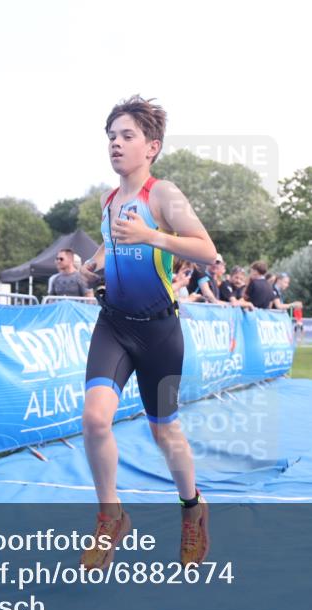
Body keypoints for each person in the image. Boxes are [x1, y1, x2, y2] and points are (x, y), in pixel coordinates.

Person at [77, 96, 216, 568]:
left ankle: (193, 510)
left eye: (127, 135)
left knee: (165, 434)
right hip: (114, 325)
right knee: (96, 419)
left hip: (159, 333)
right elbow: (111, 242)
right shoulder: (108, 200)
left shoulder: (163, 194)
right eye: (111, 136)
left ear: (151, 146)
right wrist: (93, 266)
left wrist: (154, 237)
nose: (116, 143)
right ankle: (110, 516)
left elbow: (206, 251)